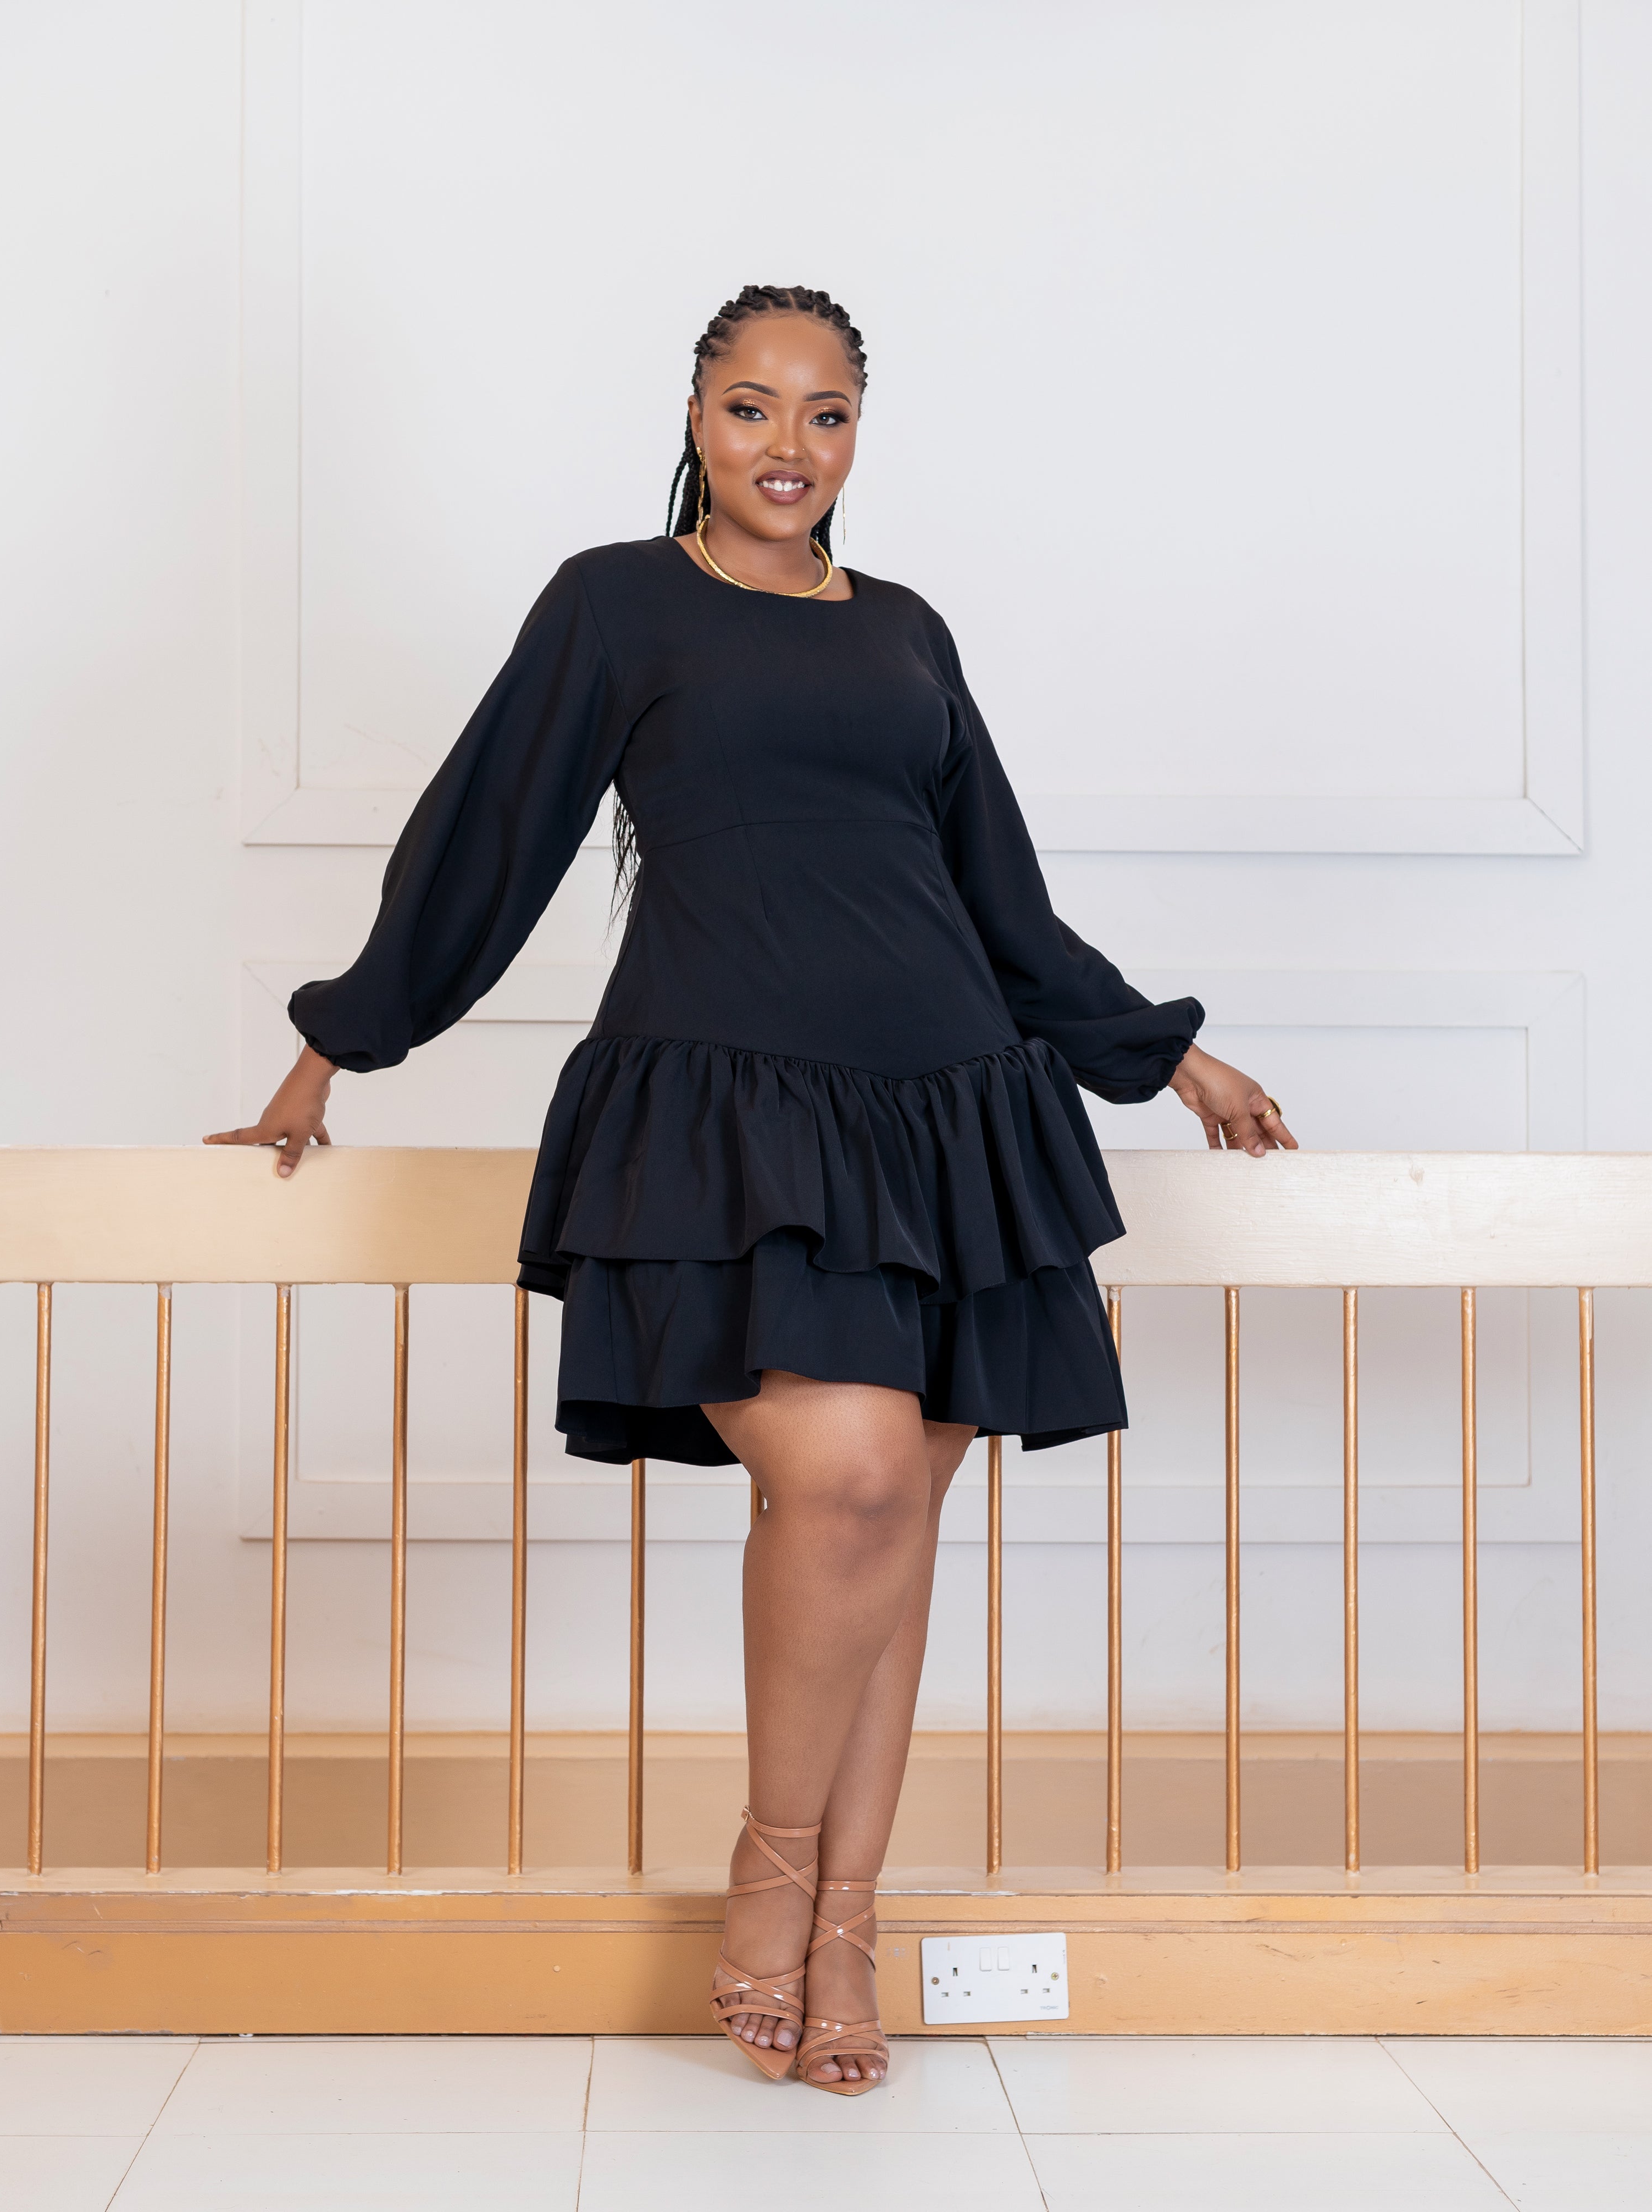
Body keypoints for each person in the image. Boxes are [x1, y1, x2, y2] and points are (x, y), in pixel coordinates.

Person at [208, 283, 1296, 2093]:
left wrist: (1166, 1055)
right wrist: (336, 1045)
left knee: (889, 1525)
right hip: (725, 1113)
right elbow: (489, 835)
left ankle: (844, 1932)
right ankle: (774, 1871)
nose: (788, 445)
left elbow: (999, 899)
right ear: (695, 418)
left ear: (859, 433)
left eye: (826, 413)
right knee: (847, 1479)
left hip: (951, 1114)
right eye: (751, 407)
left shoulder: (909, 630)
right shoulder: (615, 602)